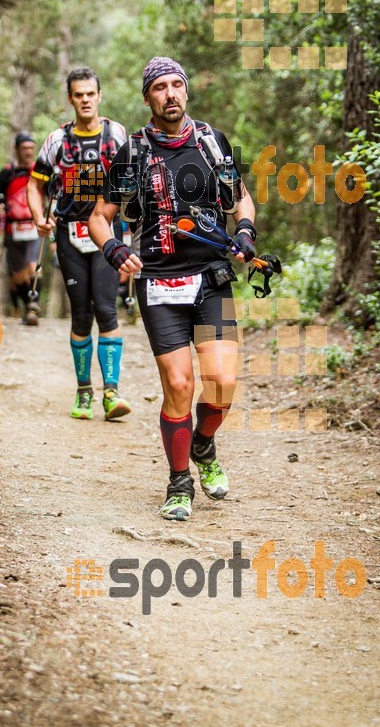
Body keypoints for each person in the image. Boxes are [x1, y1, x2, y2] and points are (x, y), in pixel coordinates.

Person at [89, 57, 256, 520]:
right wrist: (115, 252)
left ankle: (203, 445)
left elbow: (240, 195)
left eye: (176, 84)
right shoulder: (134, 153)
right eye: (160, 87)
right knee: (179, 384)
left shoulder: (210, 143)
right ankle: (179, 482)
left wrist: (244, 231)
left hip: (212, 278)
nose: (170, 94)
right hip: (159, 283)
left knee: (222, 382)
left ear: (186, 90)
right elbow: (99, 217)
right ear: (148, 98)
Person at [27, 67, 132, 421]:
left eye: (90, 94)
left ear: (99, 96)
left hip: (107, 234)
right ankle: (84, 390)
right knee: (82, 314)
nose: (85, 100)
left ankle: (112, 392)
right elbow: (34, 185)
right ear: (70, 99)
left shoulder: (116, 134)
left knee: (106, 308)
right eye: (78, 95)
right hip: (69, 235)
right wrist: (39, 217)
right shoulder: (58, 140)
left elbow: (134, 180)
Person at [0, 131, 42, 326]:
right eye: (24, 148)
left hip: (35, 226)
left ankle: (33, 304)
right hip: (12, 229)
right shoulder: (6, 173)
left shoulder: (40, 171)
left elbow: (51, 193)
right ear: (16, 149)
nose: (28, 152)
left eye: (31, 148)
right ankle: (28, 306)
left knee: (33, 266)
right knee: (18, 273)